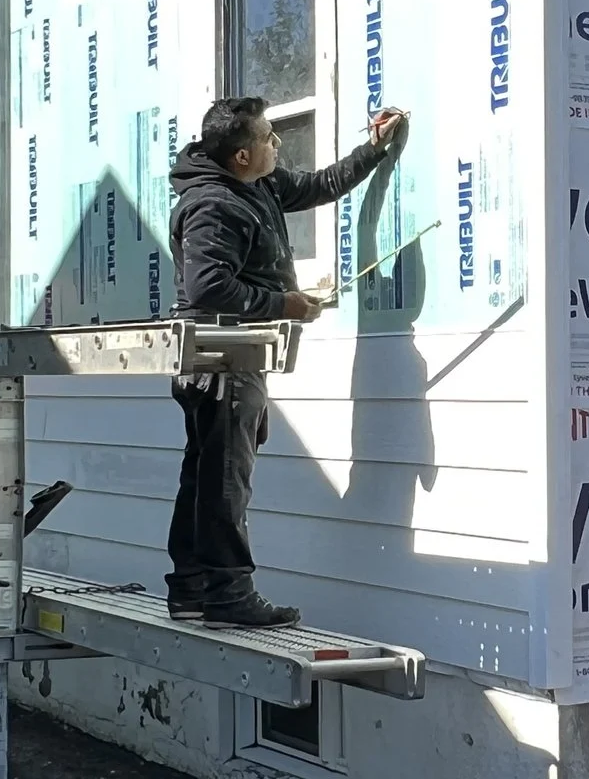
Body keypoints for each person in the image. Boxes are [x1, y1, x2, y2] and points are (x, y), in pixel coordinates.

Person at [167, 96, 408, 626]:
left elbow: (319, 186)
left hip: (228, 356)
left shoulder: (259, 185)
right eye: (268, 137)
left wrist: (373, 148)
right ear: (241, 157)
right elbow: (207, 287)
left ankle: (190, 589)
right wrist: (284, 304)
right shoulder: (214, 203)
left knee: (207, 474)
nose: (278, 143)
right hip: (219, 360)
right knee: (225, 479)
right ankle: (227, 597)